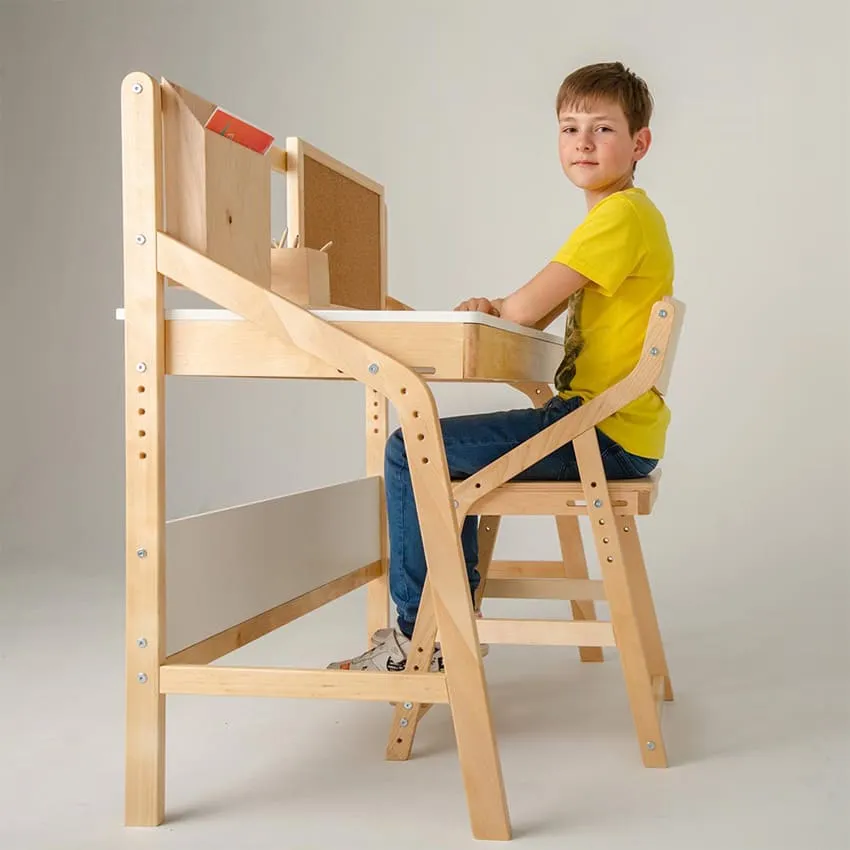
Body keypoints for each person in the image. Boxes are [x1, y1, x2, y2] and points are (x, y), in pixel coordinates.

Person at [328, 61, 674, 672]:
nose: (583, 143)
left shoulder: (619, 217)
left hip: (598, 435)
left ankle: (420, 637)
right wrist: (502, 309)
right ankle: (446, 622)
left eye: (602, 129)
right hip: (617, 433)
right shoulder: (623, 219)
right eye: (569, 129)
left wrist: (493, 307)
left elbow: (523, 311)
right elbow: (534, 316)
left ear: (639, 143)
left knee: (411, 450)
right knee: (443, 456)